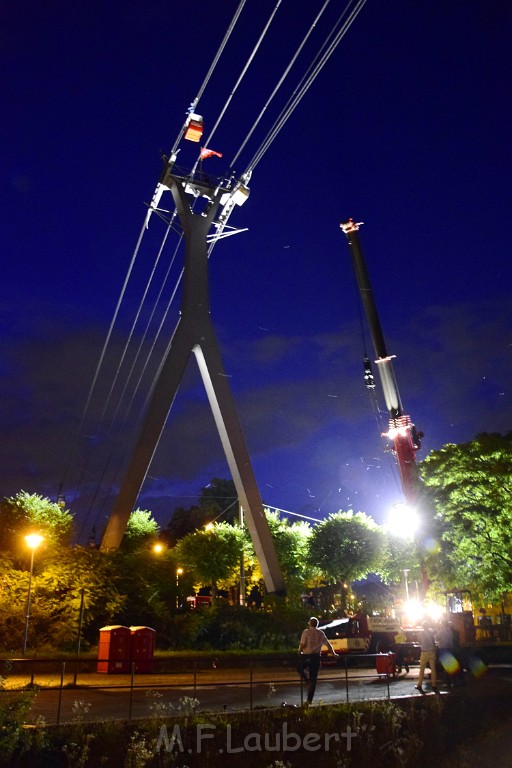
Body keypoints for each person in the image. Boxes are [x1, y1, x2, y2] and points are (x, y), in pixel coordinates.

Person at [298, 617, 338, 705]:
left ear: (309, 623)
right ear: (317, 624)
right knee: (313, 678)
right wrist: (334, 654)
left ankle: (306, 680)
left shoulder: (306, 632)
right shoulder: (321, 633)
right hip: (316, 657)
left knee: (299, 668)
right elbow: (328, 645)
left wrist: (299, 651)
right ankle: (309, 700)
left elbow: (302, 644)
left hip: (306, 656)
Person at [414, 619, 439, 694]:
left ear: (422, 626)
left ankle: (419, 684)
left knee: (422, 669)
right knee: (433, 669)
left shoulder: (420, 633)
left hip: (424, 652)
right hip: (431, 652)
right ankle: (434, 685)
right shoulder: (432, 632)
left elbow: (419, 641)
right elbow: (434, 640)